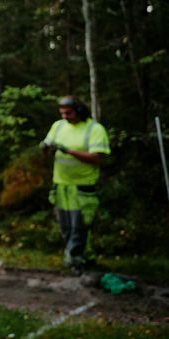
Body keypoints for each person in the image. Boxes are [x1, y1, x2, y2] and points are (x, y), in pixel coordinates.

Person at [41, 96, 110, 275]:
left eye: (68, 113)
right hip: (61, 185)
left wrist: (69, 151)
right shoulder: (58, 126)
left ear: (79, 111)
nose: (65, 116)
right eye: (62, 113)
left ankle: (74, 260)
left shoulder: (94, 129)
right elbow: (47, 153)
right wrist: (46, 148)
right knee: (66, 227)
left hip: (83, 187)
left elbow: (97, 158)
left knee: (79, 227)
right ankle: (84, 256)